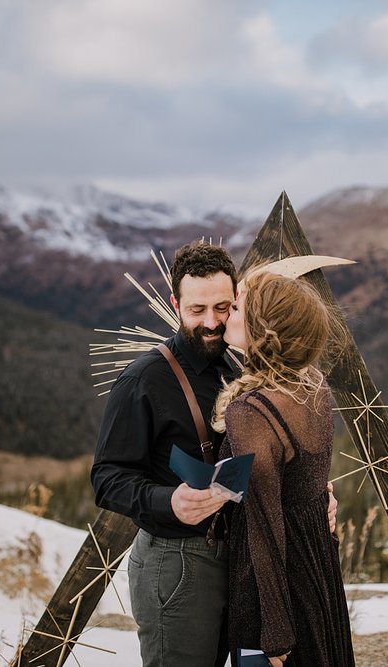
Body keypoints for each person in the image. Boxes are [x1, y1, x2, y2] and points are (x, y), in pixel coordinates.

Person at [91, 241, 238, 667]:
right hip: (174, 564)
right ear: (175, 304)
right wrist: (168, 501)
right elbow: (106, 477)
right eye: (197, 310)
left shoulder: (236, 368)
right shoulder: (142, 380)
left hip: (231, 557)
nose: (211, 322)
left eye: (222, 307)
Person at [212, 270, 355, 666]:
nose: (227, 315)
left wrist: (276, 633)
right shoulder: (313, 383)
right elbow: (305, 476)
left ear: (262, 329)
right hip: (316, 562)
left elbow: (264, 524)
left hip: (274, 586)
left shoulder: (251, 412)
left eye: (237, 307)